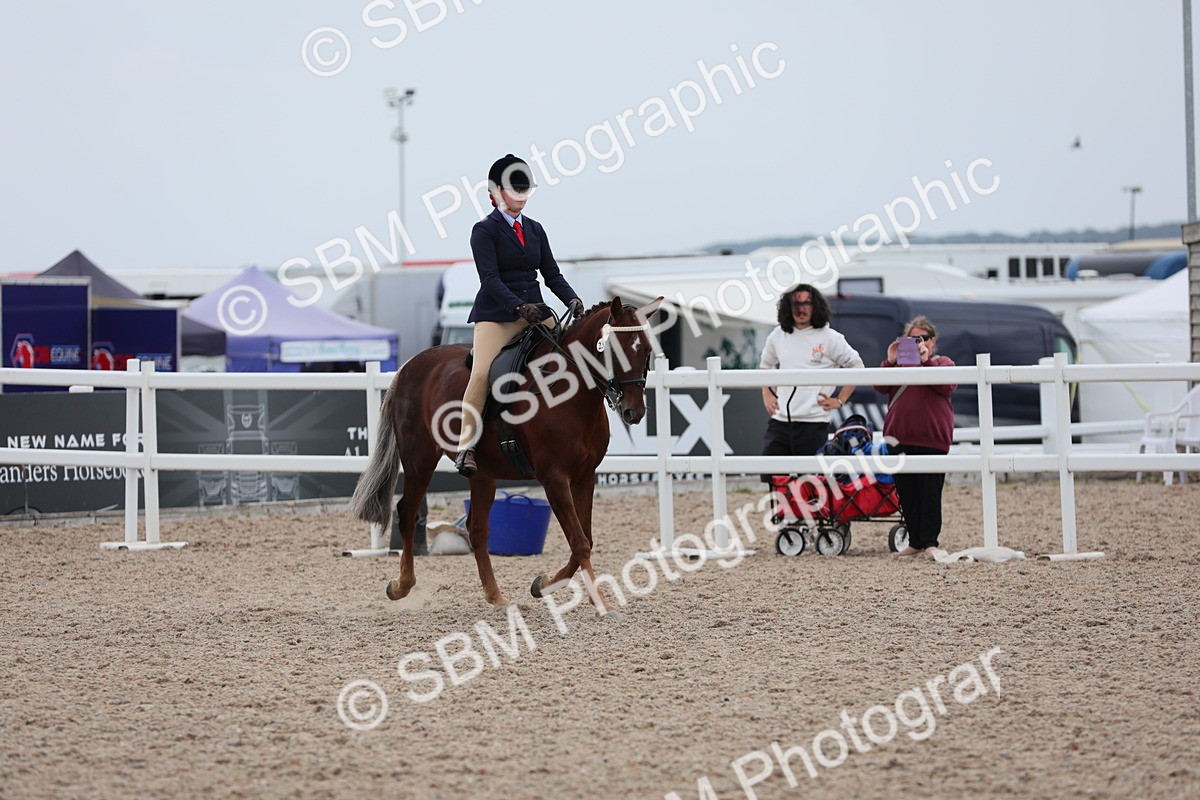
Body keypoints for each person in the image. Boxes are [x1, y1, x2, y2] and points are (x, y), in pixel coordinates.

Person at [454, 153, 584, 478]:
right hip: (497, 316)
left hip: (536, 313)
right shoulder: (484, 230)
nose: (520, 196)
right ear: (496, 193)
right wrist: (518, 307)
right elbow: (491, 280)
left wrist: (573, 300)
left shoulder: (536, 230)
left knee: (574, 356)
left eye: (524, 189)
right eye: (514, 189)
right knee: (482, 373)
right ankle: (465, 446)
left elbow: (551, 275)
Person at [759, 284, 863, 480]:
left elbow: (857, 367)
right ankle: (780, 512)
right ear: (787, 307)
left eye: (806, 303)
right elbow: (765, 365)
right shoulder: (778, 335)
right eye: (796, 303)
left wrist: (839, 400)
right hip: (780, 422)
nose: (801, 308)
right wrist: (766, 393)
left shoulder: (830, 337)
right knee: (773, 479)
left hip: (814, 423)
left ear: (816, 306)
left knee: (811, 486)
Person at [873, 315, 957, 556]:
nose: (918, 343)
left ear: (933, 341)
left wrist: (925, 361)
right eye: (911, 339)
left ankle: (930, 542)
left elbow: (946, 386)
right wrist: (890, 361)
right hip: (900, 439)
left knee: (930, 492)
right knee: (907, 492)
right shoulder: (898, 366)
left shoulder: (944, 363)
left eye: (922, 338)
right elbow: (879, 387)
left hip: (932, 439)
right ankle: (915, 542)